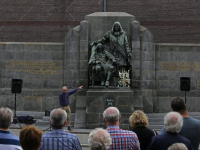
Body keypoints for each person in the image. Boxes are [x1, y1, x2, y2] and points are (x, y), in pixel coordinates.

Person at [91, 22, 131, 86]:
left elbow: (126, 44)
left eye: (118, 26)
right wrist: (95, 42)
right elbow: (102, 40)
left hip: (122, 54)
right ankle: (112, 82)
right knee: (113, 67)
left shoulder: (124, 34)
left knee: (121, 68)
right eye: (115, 26)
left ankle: (121, 82)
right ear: (113, 27)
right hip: (113, 54)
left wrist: (128, 53)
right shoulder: (109, 34)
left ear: (120, 27)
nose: (116, 27)